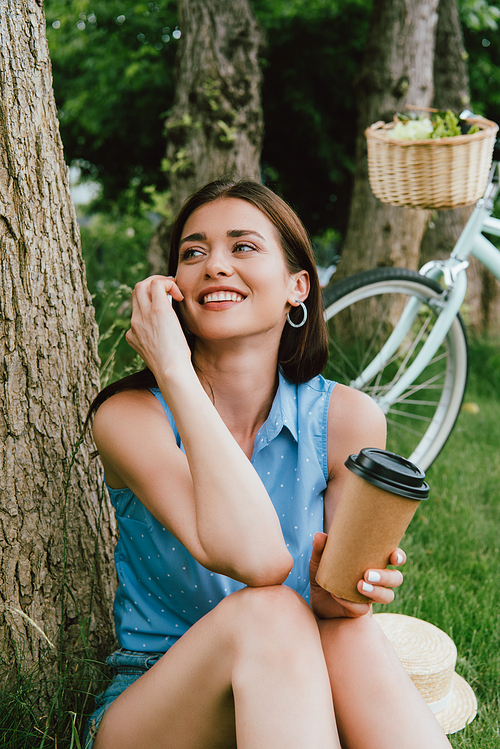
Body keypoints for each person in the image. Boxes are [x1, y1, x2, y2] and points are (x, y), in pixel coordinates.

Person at [84, 179, 452, 749]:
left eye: (244, 247)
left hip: (294, 692)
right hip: (161, 703)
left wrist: (351, 590)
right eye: (193, 252)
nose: (215, 266)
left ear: (297, 287)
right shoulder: (131, 417)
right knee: (273, 612)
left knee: (344, 636)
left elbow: (331, 606)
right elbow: (260, 562)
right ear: (171, 288)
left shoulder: (348, 420)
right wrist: (175, 372)